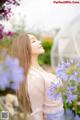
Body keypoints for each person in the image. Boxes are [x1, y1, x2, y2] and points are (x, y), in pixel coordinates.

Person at [11, 33, 65, 120]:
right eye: (33, 41)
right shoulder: (33, 76)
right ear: (25, 48)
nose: (39, 42)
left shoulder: (38, 69)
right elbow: (37, 113)